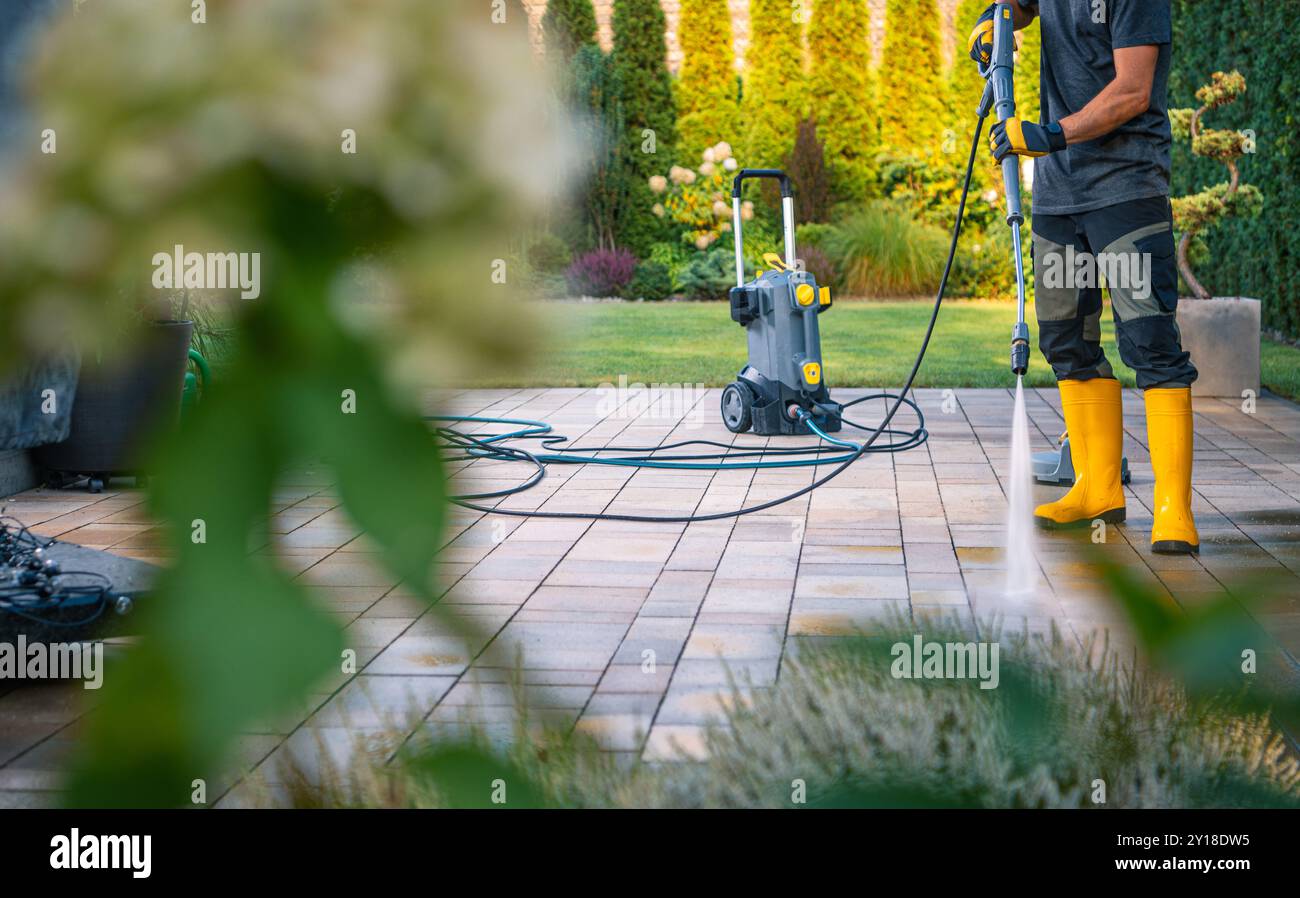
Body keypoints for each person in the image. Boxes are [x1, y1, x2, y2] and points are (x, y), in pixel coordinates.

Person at [968, 0, 1198, 555]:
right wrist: (995, 19)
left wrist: (1050, 135)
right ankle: (1097, 488)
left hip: (1127, 187)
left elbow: (1132, 90)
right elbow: (1021, 6)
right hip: (1058, 193)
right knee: (1066, 341)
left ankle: (1173, 508)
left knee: (1150, 342)